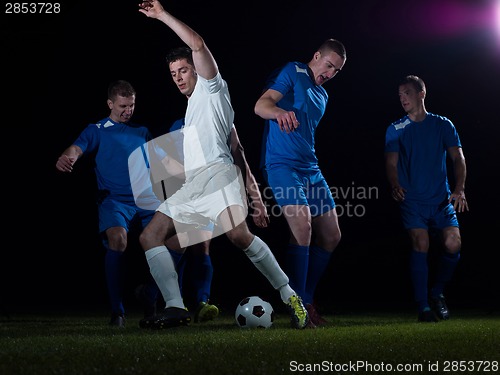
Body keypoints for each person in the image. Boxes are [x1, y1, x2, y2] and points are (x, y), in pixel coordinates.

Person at [137, 0, 310, 329]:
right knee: (151, 236)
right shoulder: (195, 109)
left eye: (183, 70)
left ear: (196, 69)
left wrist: (161, 16)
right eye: (173, 74)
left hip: (219, 176)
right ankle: (175, 307)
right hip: (196, 184)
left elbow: (198, 44)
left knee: (238, 237)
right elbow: (237, 146)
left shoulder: (211, 87)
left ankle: (290, 295)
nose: (179, 78)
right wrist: (254, 194)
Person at [141, 117, 270, 325]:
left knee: (201, 244)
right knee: (177, 245)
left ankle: (200, 302)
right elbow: (161, 156)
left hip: (210, 195)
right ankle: (159, 296)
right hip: (185, 193)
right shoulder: (180, 125)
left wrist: (257, 201)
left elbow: (241, 162)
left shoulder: (222, 123)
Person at [253, 39, 346, 326]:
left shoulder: (324, 96)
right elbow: (261, 105)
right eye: (328, 65)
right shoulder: (293, 71)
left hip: (311, 169)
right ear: (316, 56)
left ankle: (304, 297)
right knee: (302, 226)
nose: (330, 73)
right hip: (281, 165)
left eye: (337, 71)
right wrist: (279, 112)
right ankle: (300, 306)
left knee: (331, 235)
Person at [55, 80, 163, 327]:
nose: (128, 111)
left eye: (132, 106)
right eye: (123, 106)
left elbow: (158, 165)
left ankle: (151, 295)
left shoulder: (142, 131)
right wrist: (66, 157)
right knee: (118, 240)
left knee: (173, 241)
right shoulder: (96, 130)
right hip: (115, 202)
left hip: (146, 201)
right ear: (110, 104)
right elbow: (76, 148)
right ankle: (118, 311)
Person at [384, 75, 468, 322]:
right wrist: (395, 183)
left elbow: (458, 158)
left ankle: (437, 292)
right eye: (399, 95)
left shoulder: (443, 125)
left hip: (441, 200)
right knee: (421, 244)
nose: (402, 99)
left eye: (407, 93)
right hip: (413, 201)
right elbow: (390, 162)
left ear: (422, 93)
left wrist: (460, 189)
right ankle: (423, 307)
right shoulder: (396, 128)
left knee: (454, 244)